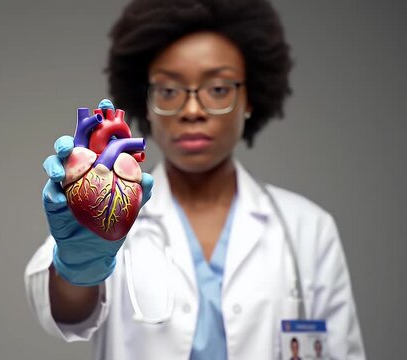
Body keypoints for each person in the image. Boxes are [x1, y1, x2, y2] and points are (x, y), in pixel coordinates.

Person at [24, 0, 366, 359]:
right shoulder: (104, 208)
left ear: (249, 98)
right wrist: (78, 267)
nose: (191, 110)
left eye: (217, 89)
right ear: (147, 104)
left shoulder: (308, 229)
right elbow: (63, 311)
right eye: (169, 91)